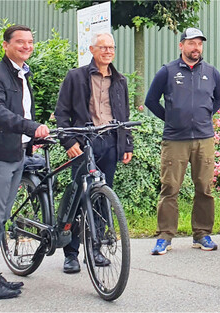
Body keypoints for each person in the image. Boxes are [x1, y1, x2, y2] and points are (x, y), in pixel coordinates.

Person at [0, 24, 50, 299]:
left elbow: (21, 110)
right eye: (20, 42)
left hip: (16, 154)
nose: (27, 46)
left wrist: (33, 138)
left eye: (30, 42)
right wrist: (30, 127)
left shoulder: (21, 74)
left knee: (2, 217)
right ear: (6, 45)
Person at [54, 32, 133, 273]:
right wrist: (68, 142)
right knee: (78, 198)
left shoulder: (119, 81)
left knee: (101, 198)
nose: (108, 51)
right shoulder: (76, 77)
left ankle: (95, 249)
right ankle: (71, 253)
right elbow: (61, 113)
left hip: (109, 144)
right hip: (83, 144)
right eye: (103, 47)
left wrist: (127, 144)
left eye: (111, 47)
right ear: (92, 49)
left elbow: (125, 117)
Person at [144, 28, 220, 255]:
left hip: (204, 139)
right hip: (175, 140)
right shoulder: (167, 71)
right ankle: (165, 237)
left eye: (199, 44)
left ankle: (202, 234)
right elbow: (151, 100)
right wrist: (169, 118)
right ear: (181, 46)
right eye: (191, 43)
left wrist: (206, 115)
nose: (196, 48)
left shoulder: (211, 72)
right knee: (170, 188)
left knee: (205, 188)